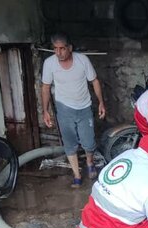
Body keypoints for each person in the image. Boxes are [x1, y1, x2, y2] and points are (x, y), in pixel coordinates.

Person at [41, 33, 106, 188]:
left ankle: (90, 163)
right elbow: (45, 87)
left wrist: (101, 103)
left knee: (88, 142)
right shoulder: (49, 64)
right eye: (55, 49)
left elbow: (94, 81)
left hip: (84, 106)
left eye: (62, 49)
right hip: (64, 108)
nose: (58, 53)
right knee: (69, 144)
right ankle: (76, 174)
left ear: (69, 48)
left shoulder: (82, 60)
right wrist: (45, 110)